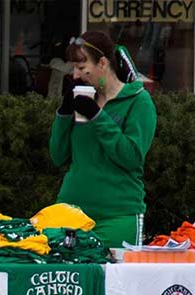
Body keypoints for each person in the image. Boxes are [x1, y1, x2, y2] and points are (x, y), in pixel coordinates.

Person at [49, 31, 157, 248]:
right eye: (74, 69)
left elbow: (131, 157)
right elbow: (58, 156)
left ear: (103, 63)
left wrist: (98, 117)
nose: (76, 76)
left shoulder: (139, 102)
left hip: (117, 217)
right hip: (71, 213)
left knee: (112, 282)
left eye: (81, 68)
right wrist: (63, 113)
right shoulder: (84, 98)